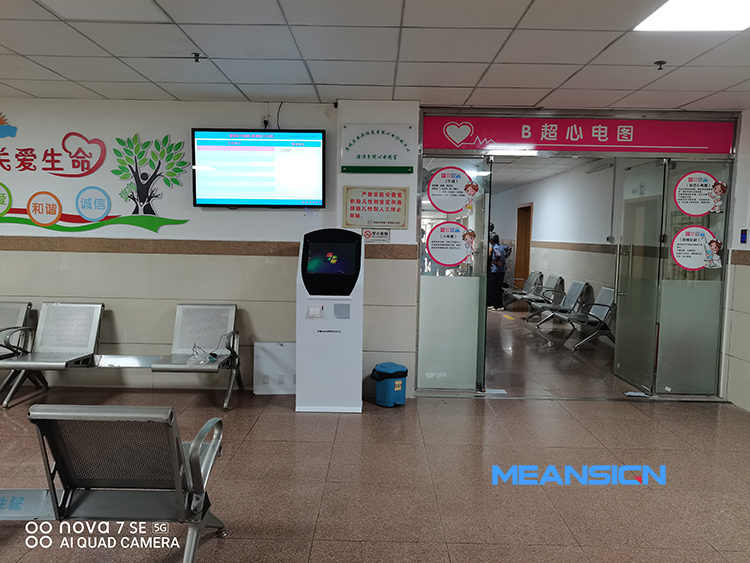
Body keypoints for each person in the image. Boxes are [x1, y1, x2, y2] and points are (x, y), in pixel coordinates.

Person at [488, 233, 507, 310]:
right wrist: (504, 259)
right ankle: (497, 304)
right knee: (498, 288)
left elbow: (497, 255)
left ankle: (498, 305)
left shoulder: (495, 248)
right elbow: (509, 249)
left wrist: (496, 262)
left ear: (492, 241)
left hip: (496, 270)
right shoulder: (502, 246)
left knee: (495, 288)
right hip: (502, 270)